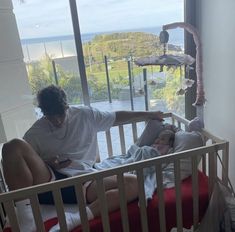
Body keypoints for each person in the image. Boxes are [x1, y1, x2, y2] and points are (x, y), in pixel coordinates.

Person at [2, 85, 163, 228]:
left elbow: (116, 116)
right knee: (12, 146)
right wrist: (49, 162)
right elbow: (22, 165)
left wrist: (150, 114)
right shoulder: (36, 131)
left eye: (60, 114)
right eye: (51, 117)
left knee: (134, 183)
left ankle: (78, 218)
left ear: (66, 106)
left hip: (84, 182)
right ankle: (26, 219)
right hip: (49, 182)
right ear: (44, 113)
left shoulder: (85, 115)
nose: (57, 121)